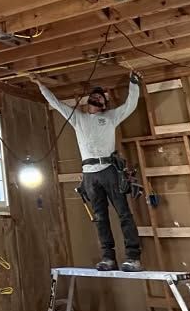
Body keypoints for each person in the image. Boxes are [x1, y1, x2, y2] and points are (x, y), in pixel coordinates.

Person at [36, 74, 144, 272]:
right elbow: (56, 103)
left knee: (123, 214)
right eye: (96, 96)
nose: (98, 98)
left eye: (102, 97)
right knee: (100, 217)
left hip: (109, 170)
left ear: (105, 103)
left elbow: (131, 104)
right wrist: (41, 85)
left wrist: (134, 83)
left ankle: (133, 257)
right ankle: (108, 258)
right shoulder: (78, 118)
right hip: (89, 174)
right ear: (89, 101)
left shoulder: (110, 117)